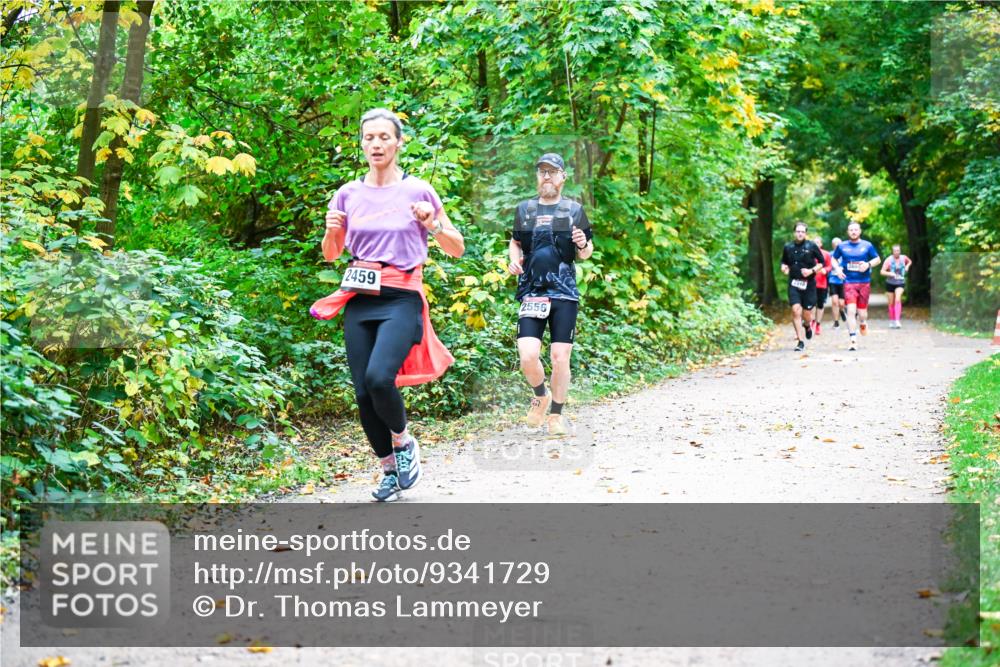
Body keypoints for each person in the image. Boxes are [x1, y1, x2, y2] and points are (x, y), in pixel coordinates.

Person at [310, 108, 465, 502]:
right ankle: (388, 470)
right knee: (363, 392)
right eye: (369, 138)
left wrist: (432, 224)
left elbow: (456, 247)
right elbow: (331, 255)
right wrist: (332, 231)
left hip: (401, 294)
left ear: (398, 143)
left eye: (383, 137)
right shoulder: (348, 193)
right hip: (360, 296)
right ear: (361, 144)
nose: (376, 144)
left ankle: (404, 441)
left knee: (380, 378)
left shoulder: (419, 190)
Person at [508, 153, 593, 436]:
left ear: (562, 177)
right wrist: (513, 259)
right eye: (542, 171)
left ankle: (556, 414)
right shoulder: (525, 209)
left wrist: (582, 244)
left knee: (559, 357)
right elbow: (515, 241)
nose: (547, 176)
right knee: (528, 355)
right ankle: (541, 395)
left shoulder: (574, 210)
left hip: (564, 292)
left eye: (552, 172)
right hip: (532, 291)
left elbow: (586, 251)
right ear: (537, 176)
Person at [830, 222, 880, 352]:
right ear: (848, 232)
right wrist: (837, 269)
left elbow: (877, 259)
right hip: (849, 283)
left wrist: (868, 264)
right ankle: (853, 340)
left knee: (862, 314)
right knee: (851, 311)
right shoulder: (842, 246)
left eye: (855, 230)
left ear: (860, 231)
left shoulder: (867, 245)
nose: (853, 232)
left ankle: (863, 322)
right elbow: (833, 259)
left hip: (864, 283)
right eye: (851, 230)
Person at [779, 221, 824, 352]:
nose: (800, 234)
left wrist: (811, 271)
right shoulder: (788, 247)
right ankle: (800, 341)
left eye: (802, 232)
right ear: (794, 233)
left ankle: (807, 326)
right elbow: (784, 261)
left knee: (807, 314)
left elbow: (821, 262)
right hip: (794, 282)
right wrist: (784, 267)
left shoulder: (812, 246)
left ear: (806, 233)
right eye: (798, 231)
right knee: (795, 310)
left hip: (809, 284)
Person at [879, 244, 912, 329]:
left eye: (898, 250)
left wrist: (907, 266)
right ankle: (892, 320)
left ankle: (897, 321)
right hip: (890, 283)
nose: (897, 252)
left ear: (900, 251)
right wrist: (890, 273)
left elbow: (909, 261)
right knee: (891, 303)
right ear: (892, 252)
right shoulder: (888, 260)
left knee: (897, 299)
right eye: (895, 251)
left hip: (900, 282)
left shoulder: (903, 258)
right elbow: (882, 272)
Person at [812, 236, 833, 336]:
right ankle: (812, 321)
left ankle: (818, 324)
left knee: (820, 304)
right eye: (814, 242)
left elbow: (830, 265)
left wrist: (826, 270)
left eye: (817, 242)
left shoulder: (826, 254)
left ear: (821, 244)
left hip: (822, 283)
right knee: (811, 304)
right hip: (810, 283)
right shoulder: (808, 253)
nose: (816, 244)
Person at [827, 237, 847, 329]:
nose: (836, 246)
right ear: (832, 245)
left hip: (843, 281)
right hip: (833, 280)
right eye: (835, 244)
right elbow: (827, 265)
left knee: (841, 303)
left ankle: (842, 310)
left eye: (838, 244)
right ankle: (836, 322)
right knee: (835, 302)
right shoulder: (830, 254)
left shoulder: (845, 254)